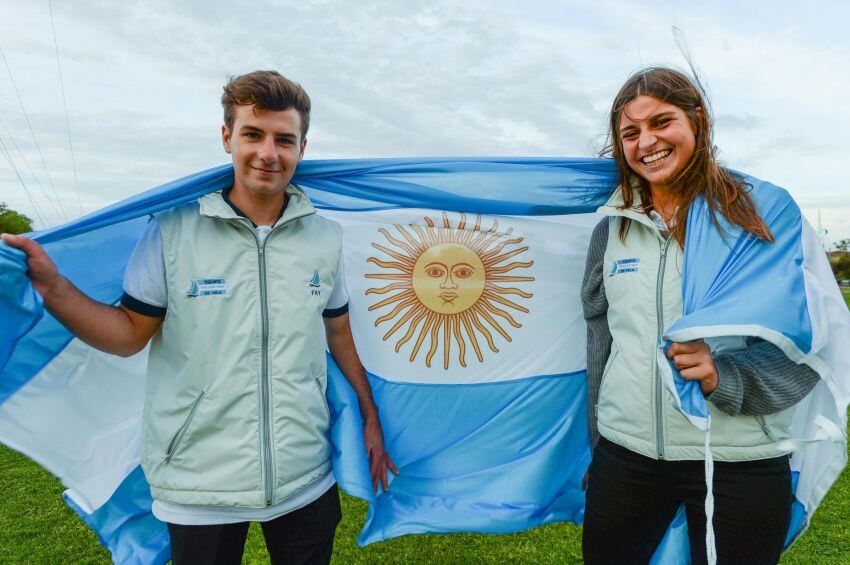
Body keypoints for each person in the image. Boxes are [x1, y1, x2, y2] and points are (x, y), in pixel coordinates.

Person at [1, 70, 397, 565]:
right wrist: (53, 287)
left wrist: (370, 414)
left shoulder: (325, 238)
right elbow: (128, 336)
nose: (268, 153)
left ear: (302, 147)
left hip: (305, 476)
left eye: (284, 139)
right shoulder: (172, 231)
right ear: (227, 136)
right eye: (253, 134)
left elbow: (338, 333)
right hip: (197, 484)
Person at [580, 67, 820, 565]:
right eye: (630, 132)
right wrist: (601, 441)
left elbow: (807, 347)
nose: (646, 142)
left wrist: (724, 376)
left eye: (661, 122)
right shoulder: (612, 228)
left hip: (738, 459)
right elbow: (601, 336)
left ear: (697, 120)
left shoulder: (759, 218)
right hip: (626, 455)